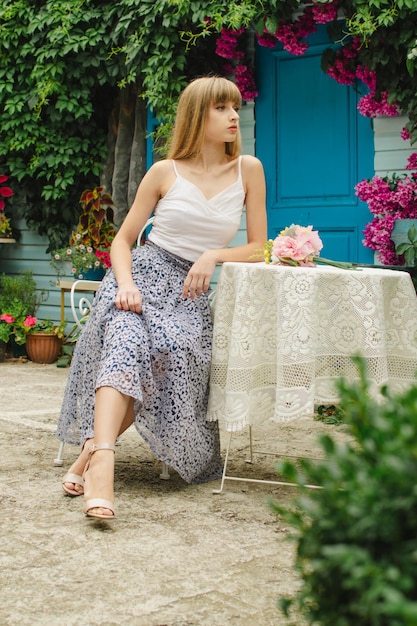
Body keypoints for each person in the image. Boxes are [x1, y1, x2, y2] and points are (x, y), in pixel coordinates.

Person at [58, 75, 267, 520]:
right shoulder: (163, 172)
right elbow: (122, 240)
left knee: (167, 352)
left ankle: (91, 454)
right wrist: (126, 283)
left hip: (187, 293)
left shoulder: (249, 169)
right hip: (139, 277)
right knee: (127, 343)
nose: (234, 116)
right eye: (221, 108)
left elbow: (260, 246)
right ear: (196, 115)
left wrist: (213, 255)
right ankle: (105, 469)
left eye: (235, 106)